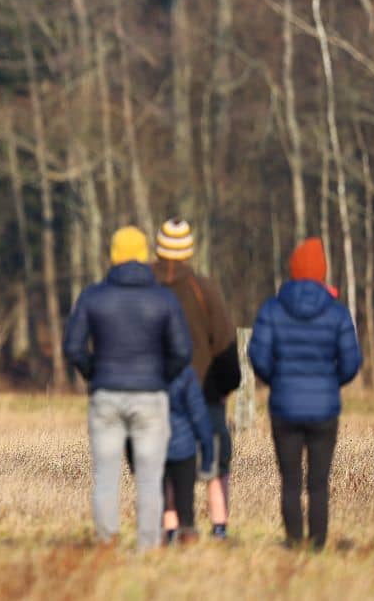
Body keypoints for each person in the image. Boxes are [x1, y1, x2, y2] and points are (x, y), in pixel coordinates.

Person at [63, 226, 192, 550]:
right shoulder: (163, 297)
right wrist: (160, 378)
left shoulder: (93, 295)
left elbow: (73, 347)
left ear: (114, 255)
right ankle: (147, 546)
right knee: (150, 478)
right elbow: (182, 351)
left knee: (106, 476)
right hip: (150, 396)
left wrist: (95, 375)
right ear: (145, 255)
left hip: (106, 394)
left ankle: (107, 541)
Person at [248, 237, 361, 550]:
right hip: (325, 409)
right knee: (319, 482)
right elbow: (352, 362)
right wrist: (330, 382)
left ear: (293, 270)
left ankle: (294, 541)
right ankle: (318, 544)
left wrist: (277, 379)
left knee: (291, 480)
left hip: (284, 406)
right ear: (322, 272)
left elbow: (258, 355)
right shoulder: (337, 314)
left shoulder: (272, 308)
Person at [152, 218, 240, 539]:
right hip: (205, 391)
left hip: (155, 390)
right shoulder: (204, 289)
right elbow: (226, 344)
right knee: (216, 458)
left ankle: (170, 526)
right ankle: (219, 525)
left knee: (165, 459)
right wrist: (226, 385)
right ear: (189, 249)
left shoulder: (146, 286)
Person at [161, 366, 215, 545]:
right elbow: (199, 415)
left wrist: (132, 456)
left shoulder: (144, 371)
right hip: (184, 446)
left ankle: (166, 536)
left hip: (153, 446)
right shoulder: (186, 374)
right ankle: (187, 537)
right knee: (185, 499)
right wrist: (208, 452)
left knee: (162, 497)